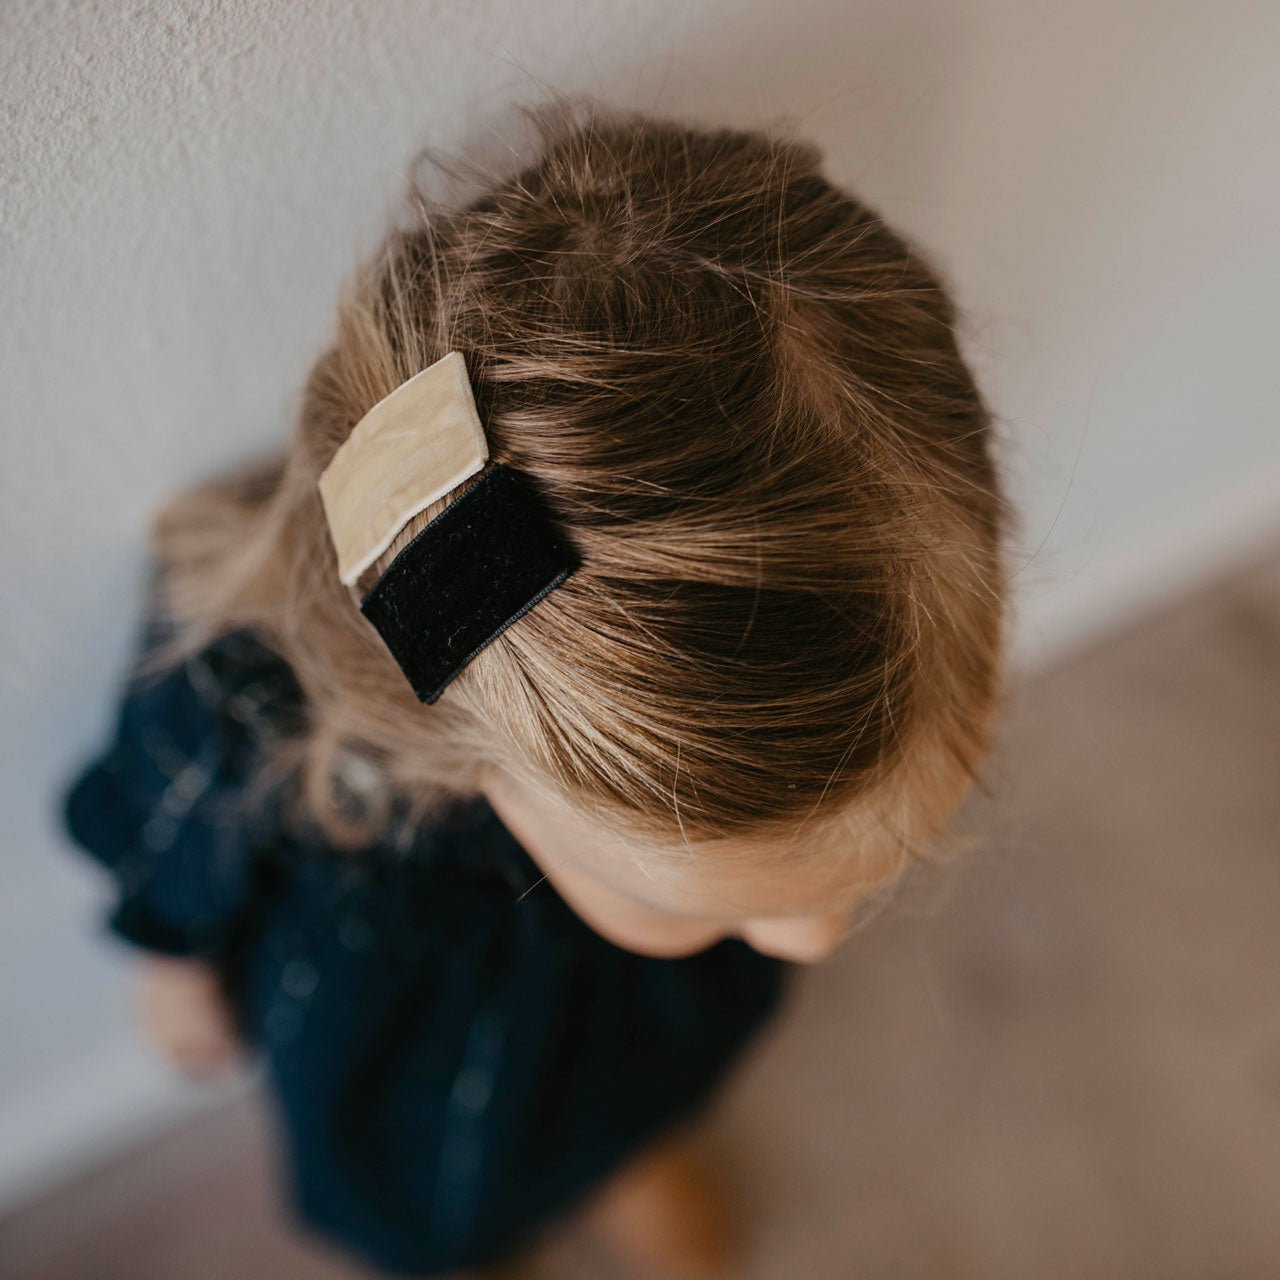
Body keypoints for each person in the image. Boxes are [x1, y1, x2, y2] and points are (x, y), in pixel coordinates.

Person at [59, 96, 1011, 1278]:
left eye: (865, 872)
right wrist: (175, 966)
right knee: (437, 1208)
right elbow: (168, 818)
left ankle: (619, 1146)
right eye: (706, 902)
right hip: (417, 1057)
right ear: (445, 742)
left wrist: (682, 916)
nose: (806, 940)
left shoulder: (750, 840)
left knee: (647, 1077)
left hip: (620, 1016)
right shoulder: (270, 713)